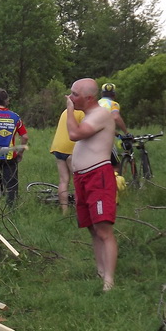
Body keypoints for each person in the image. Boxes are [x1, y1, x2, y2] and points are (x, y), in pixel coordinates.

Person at [66, 78, 118, 291]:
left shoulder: (100, 114)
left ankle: (109, 281)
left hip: (98, 176)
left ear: (89, 98)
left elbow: (74, 134)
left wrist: (69, 111)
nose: (70, 98)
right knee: (92, 228)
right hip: (82, 177)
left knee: (103, 230)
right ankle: (100, 271)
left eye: (74, 94)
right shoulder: (88, 115)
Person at [48, 107, 84, 215]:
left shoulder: (66, 110)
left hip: (58, 147)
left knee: (63, 181)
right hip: (71, 148)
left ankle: (65, 210)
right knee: (78, 180)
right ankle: (79, 210)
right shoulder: (82, 113)